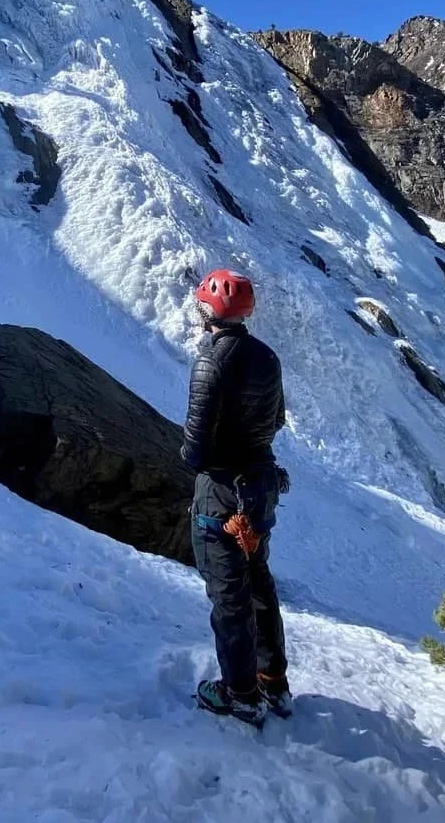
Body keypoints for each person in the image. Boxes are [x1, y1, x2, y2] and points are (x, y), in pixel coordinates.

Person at [182, 269, 291, 727]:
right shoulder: (266, 357)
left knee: (228, 595)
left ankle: (240, 694)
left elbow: (195, 448)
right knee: (259, 582)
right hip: (261, 489)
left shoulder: (210, 361)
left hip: (221, 495)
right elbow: (277, 420)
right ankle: (273, 683)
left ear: (208, 309)